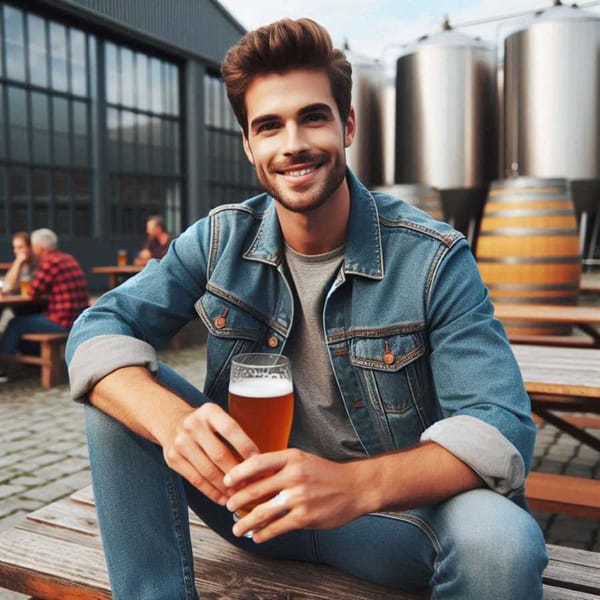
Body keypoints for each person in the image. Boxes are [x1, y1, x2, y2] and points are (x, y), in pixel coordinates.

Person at [66, 18, 547, 600]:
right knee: (119, 392)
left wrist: (350, 487)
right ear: (249, 145)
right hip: (252, 509)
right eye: (269, 126)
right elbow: (98, 328)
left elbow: (500, 429)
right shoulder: (219, 240)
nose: (292, 143)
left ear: (346, 126)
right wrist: (172, 425)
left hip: (392, 522)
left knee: (501, 543)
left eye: (311, 117)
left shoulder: (433, 257)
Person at [0, 228, 89, 382]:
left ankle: (2, 369)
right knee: (23, 319)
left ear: (40, 248)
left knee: (15, 324)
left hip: (63, 321)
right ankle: (31, 363)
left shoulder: (49, 263)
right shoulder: (68, 258)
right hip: (77, 318)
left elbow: (32, 292)